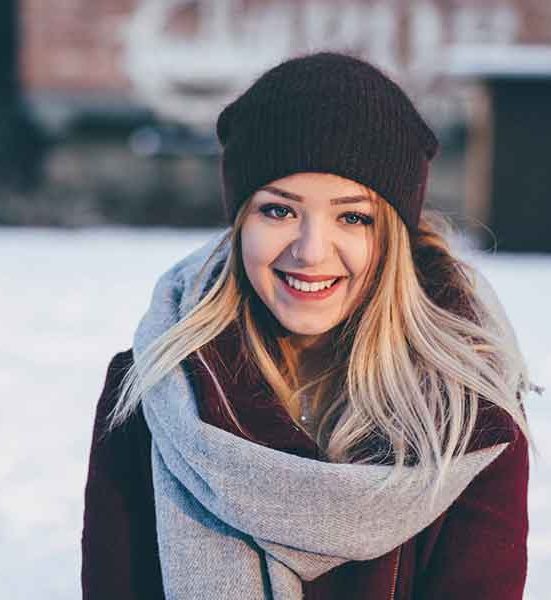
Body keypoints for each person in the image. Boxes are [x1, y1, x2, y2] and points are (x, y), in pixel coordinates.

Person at [81, 52, 538, 600]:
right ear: (239, 220)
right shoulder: (151, 392)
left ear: (392, 237)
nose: (311, 251)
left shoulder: (468, 419)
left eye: (353, 216)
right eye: (279, 211)